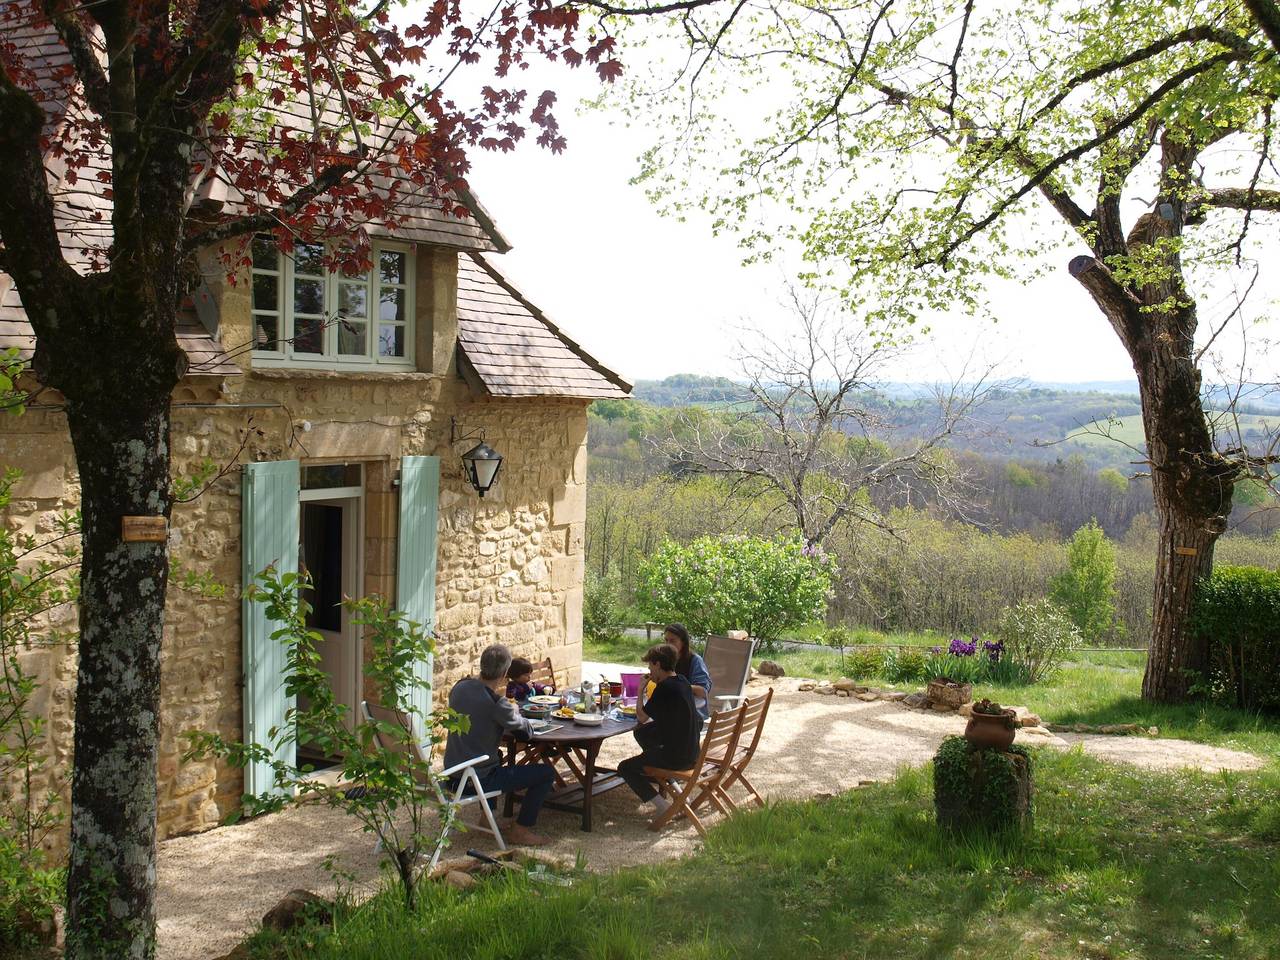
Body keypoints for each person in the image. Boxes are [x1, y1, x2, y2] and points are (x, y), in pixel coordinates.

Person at [444, 644, 555, 846]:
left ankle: (487, 820)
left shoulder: (459, 687)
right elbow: (526, 734)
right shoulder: (496, 703)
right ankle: (521, 830)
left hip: (451, 775)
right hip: (475, 781)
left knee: (495, 756)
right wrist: (514, 712)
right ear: (505, 672)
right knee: (546, 772)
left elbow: (477, 719)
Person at [618, 643, 704, 818]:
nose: (649, 669)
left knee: (625, 768)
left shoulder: (664, 688)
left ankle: (663, 807)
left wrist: (641, 689)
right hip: (693, 753)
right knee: (642, 734)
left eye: (650, 665)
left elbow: (642, 717)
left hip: (676, 757)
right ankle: (680, 795)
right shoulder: (682, 681)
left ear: (657, 664)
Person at [664, 623, 713, 719]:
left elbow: (703, 691)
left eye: (672, 641)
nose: (668, 645)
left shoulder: (695, 661)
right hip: (670, 711)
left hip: (693, 716)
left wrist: (679, 686)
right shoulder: (666, 659)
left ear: (683, 642)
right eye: (666, 640)